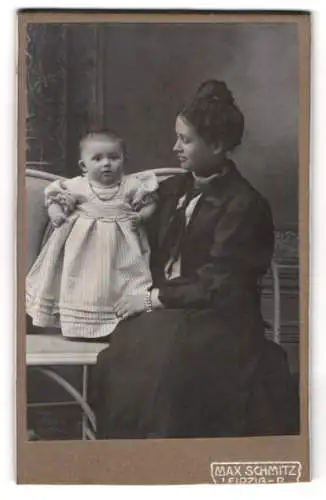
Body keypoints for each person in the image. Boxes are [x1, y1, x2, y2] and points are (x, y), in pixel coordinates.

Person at [93, 80, 299, 438]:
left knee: (170, 365)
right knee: (129, 356)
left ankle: (170, 461)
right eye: (177, 137)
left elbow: (221, 283)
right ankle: (128, 461)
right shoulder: (171, 191)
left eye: (185, 140)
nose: (175, 147)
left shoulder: (245, 205)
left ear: (217, 145)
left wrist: (152, 298)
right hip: (169, 313)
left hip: (222, 320)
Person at [26, 130, 158, 339]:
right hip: (84, 248)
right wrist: (57, 213)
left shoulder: (131, 185)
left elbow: (150, 204)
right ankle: (80, 323)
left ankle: (119, 323)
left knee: (124, 281)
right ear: (83, 166)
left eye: (113, 158)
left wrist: (141, 216)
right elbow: (53, 200)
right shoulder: (77, 185)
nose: (106, 163)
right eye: (97, 159)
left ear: (124, 160)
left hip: (121, 247)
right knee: (82, 282)